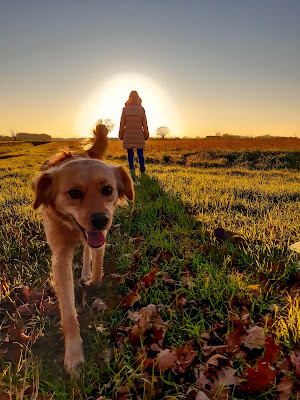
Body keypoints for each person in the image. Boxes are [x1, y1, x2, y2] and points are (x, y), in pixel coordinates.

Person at [119, 90, 149, 174]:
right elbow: (144, 124)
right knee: (140, 153)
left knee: (130, 153)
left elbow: (122, 124)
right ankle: (142, 169)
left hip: (128, 134)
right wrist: (146, 135)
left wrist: (121, 135)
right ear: (138, 98)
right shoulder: (141, 109)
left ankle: (131, 169)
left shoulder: (125, 109)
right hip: (139, 134)